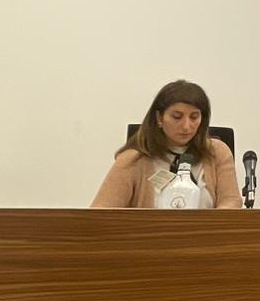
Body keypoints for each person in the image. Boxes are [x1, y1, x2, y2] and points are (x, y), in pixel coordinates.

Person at [91, 80, 240, 209]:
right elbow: (101, 211)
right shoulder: (132, 159)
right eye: (177, 117)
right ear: (159, 118)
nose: (186, 126)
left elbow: (231, 202)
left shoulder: (217, 152)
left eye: (194, 117)